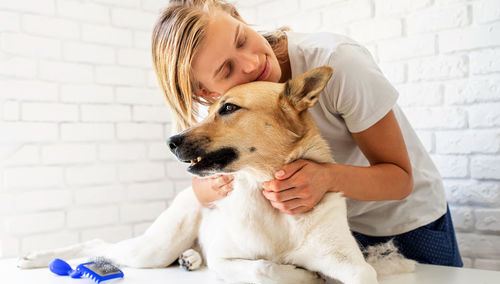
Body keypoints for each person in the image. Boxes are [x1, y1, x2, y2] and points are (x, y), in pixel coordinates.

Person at [152, 0, 463, 267]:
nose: (251, 62)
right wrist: (207, 188)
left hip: (406, 223)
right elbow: (209, 185)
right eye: (226, 70)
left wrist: (326, 177)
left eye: (242, 39)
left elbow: (400, 180)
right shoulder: (227, 114)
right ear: (207, 91)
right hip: (329, 230)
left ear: (241, 18)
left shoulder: (338, 62)